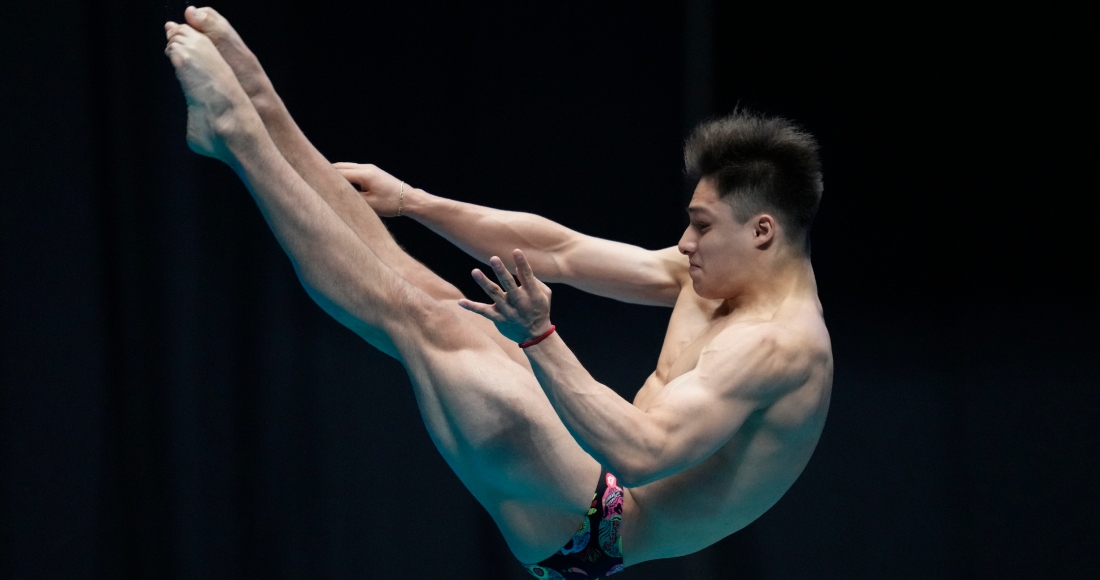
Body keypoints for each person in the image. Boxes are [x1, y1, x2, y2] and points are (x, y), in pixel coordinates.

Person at [164, 6, 832, 578]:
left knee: (422, 319)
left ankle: (236, 135)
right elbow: (561, 251)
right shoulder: (716, 274)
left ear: (763, 231)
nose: (684, 245)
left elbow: (641, 453)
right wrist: (415, 200)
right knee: (429, 294)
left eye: (700, 227)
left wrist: (540, 338)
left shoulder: (777, 347)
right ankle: (269, 118)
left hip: (597, 529)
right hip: (587, 486)